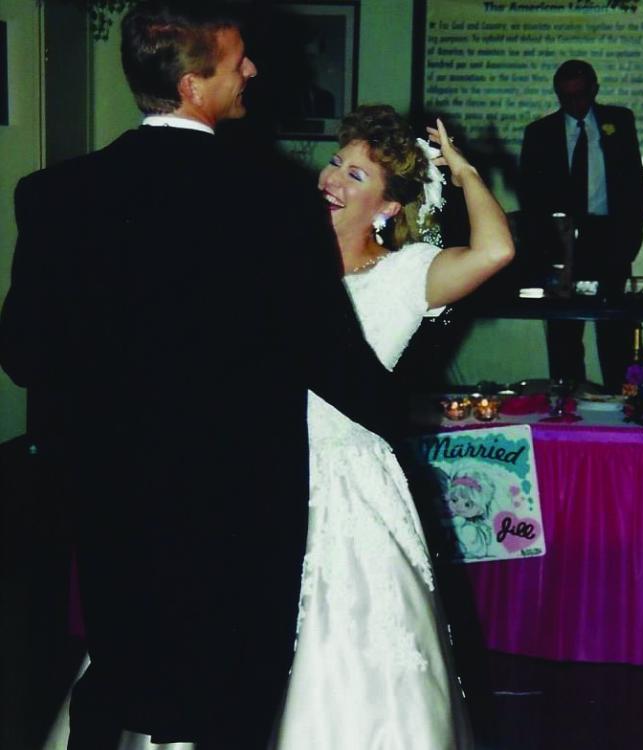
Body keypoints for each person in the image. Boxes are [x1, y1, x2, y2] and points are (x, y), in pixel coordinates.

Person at [0, 3, 399, 748]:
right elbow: (328, 354)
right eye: (238, 60)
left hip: (109, 483)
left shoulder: (54, 193)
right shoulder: (276, 198)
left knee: (119, 662)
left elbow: (25, 352)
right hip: (239, 490)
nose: (253, 70)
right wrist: (411, 420)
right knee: (234, 682)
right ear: (192, 86)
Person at [270, 104, 515, 749]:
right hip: (265, 464)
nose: (332, 181)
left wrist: (462, 171)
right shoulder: (283, 261)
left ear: (387, 206)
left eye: (355, 175)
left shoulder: (408, 275)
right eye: (334, 163)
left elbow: (496, 250)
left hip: (350, 473)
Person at [520, 59, 643, 393]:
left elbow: (635, 186)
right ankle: (568, 404)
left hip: (609, 238)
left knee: (614, 332)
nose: (574, 105)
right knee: (563, 331)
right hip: (560, 243)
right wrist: (542, 247)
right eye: (566, 97)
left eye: (580, 95)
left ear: (594, 90)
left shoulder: (619, 122)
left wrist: (629, 239)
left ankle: (622, 403)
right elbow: (529, 196)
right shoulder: (539, 133)